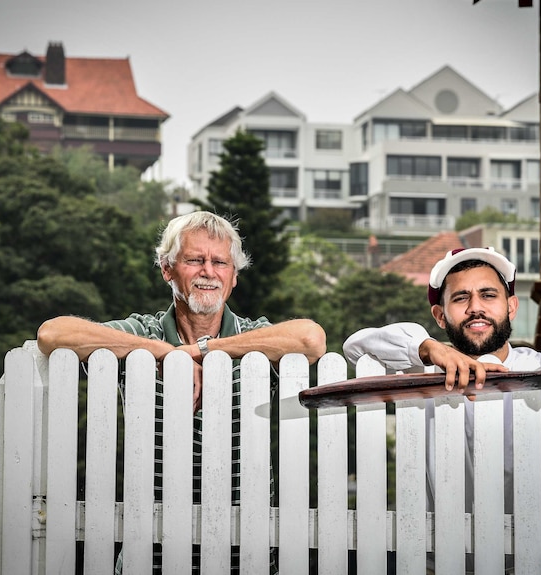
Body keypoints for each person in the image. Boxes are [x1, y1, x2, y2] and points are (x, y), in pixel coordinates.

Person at [37, 210, 327, 574]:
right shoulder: (143, 333)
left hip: (245, 556)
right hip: (149, 555)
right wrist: (164, 353)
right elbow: (53, 334)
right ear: (167, 269)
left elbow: (312, 339)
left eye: (220, 262)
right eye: (194, 260)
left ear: (234, 277)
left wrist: (201, 351)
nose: (208, 271)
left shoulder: (254, 338)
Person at [342, 247, 541, 551]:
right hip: (440, 557)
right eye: (461, 298)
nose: (476, 307)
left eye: (488, 295)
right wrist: (428, 348)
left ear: (511, 306)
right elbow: (356, 347)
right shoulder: (421, 371)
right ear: (441, 317)